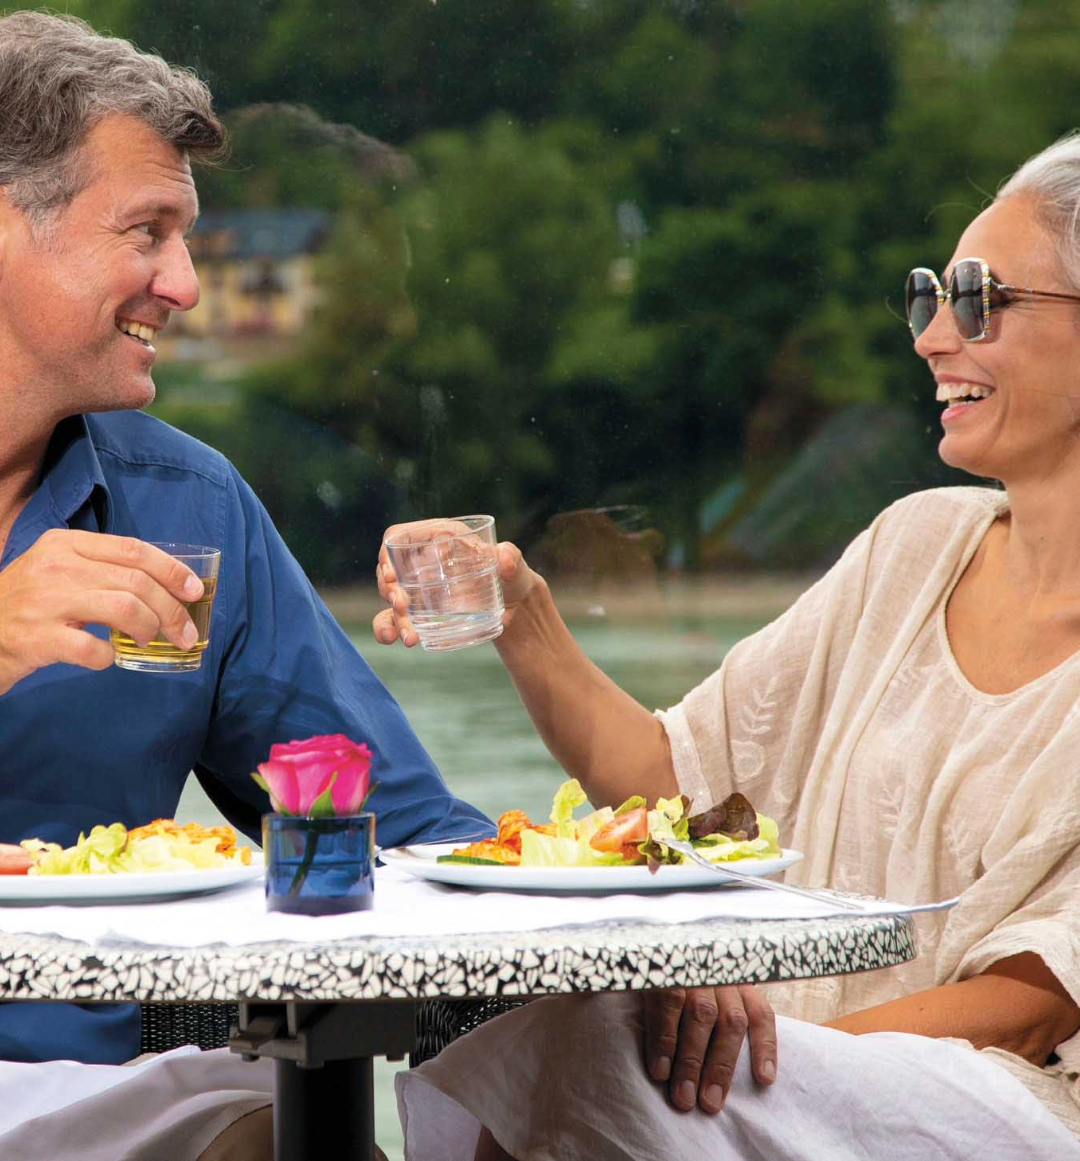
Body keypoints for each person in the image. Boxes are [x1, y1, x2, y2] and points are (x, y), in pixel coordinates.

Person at [375, 133, 1080, 1160]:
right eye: (929, 295)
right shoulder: (912, 547)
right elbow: (669, 786)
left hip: (1004, 1101)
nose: (931, 336)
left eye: (979, 299)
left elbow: (1031, 1003)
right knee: (564, 1022)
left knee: (611, 1053)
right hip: (796, 1063)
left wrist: (756, 1059)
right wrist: (521, 614)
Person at [0, 10, 490, 1159]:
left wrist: (633, 933)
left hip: (88, 1093)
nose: (186, 285)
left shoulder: (188, 507)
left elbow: (393, 829)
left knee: (265, 1137)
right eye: (148, 231)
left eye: (188, 236)